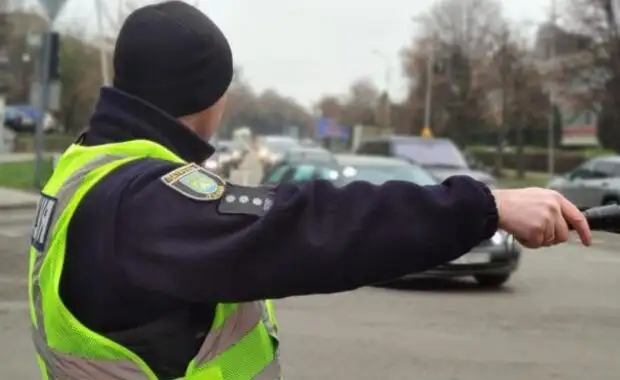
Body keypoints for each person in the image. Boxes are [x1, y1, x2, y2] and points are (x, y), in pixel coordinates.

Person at [27, 2, 592, 379]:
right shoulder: (141, 201)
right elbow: (310, 225)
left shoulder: (87, 170)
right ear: (209, 98)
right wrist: (487, 205)